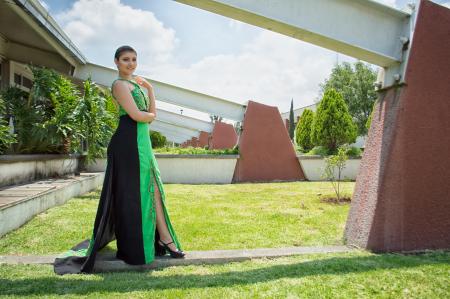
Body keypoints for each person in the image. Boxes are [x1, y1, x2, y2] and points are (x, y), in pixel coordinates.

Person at [54, 45, 184, 275]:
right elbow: (137, 116)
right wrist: (149, 115)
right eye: (126, 59)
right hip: (128, 144)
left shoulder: (139, 86)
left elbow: (150, 117)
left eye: (134, 59)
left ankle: (164, 238)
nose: (131, 63)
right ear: (116, 62)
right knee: (134, 194)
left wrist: (151, 90)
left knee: (154, 189)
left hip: (142, 143)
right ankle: (140, 247)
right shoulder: (119, 85)